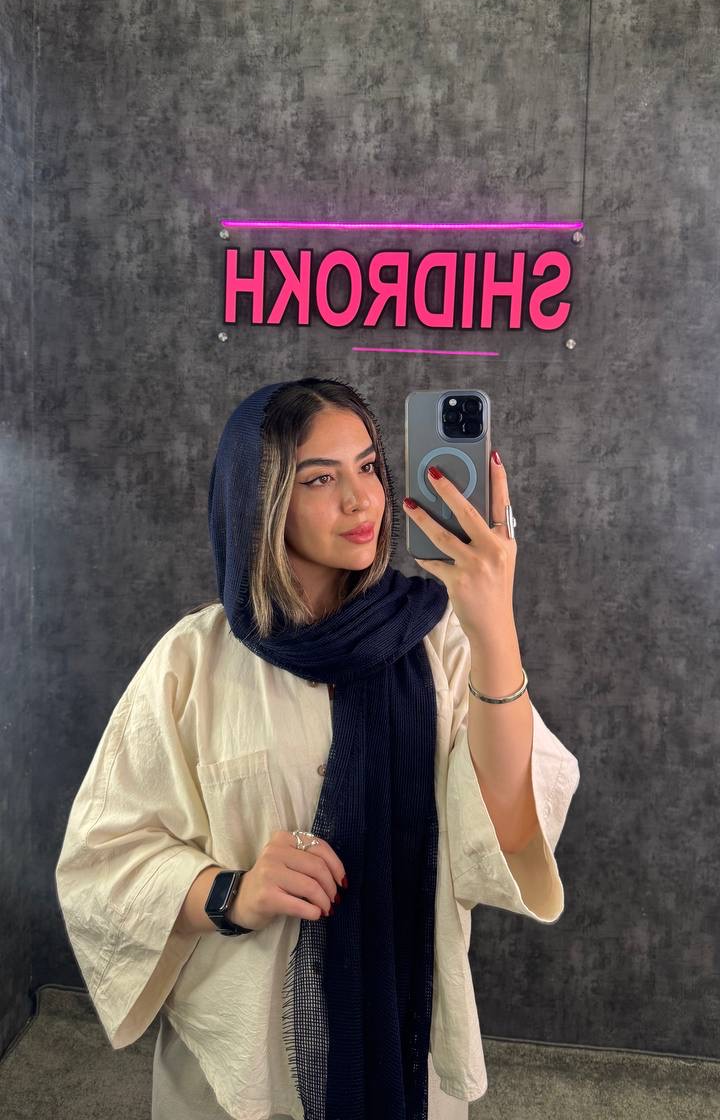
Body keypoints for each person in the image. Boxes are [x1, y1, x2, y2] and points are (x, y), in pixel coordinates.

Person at [55, 377, 581, 1120]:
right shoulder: (193, 661)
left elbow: (509, 822)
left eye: (368, 467)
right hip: (244, 1063)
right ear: (260, 501)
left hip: (402, 1044)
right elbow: (103, 858)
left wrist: (494, 624)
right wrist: (230, 892)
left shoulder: (438, 640)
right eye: (319, 479)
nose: (361, 501)